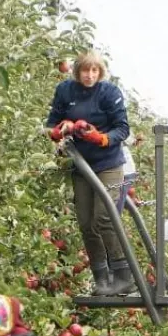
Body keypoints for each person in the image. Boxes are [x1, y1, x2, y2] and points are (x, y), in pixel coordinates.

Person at [45, 50, 135, 296]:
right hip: (80, 164)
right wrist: (58, 130)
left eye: (94, 71)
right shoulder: (65, 91)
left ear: (101, 72)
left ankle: (123, 276)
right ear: (77, 71)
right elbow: (52, 122)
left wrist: (101, 138)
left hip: (108, 163)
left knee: (103, 218)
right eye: (85, 70)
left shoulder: (109, 93)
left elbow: (122, 129)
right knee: (86, 223)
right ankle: (102, 279)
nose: (90, 75)